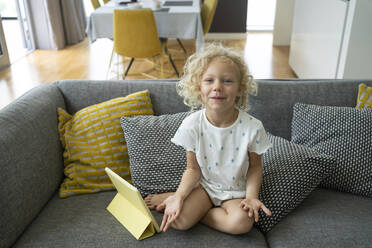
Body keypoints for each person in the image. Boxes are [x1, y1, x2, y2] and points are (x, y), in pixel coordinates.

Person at [145, 43, 272, 234]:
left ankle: (197, 212)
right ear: (198, 88)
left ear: (240, 89)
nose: (217, 87)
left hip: (235, 193)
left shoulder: (253, 127)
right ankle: (179, 198)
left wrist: (252, 197)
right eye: (209, 80)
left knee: (242, 224)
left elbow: (255, 167)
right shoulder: (192, 124)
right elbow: (192, 169)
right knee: (177, 220)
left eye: (227, 81)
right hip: (204, 189)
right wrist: (180, 196)